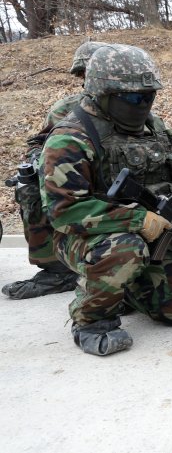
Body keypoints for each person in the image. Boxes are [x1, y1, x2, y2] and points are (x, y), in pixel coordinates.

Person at [40, 44, 172, 356]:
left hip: (147, 231)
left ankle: (123, 287)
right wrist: (139, 220)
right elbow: (64, 211)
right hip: (84, 236)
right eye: (133, 97)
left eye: (148, 96)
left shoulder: (155, 128)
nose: (143, 104)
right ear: (103, 93)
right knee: (126, 249)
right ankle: (90, 320)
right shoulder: (71, 138)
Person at [2, 41, 108, 300]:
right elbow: (39, 141)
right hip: (70, 175)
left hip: (107, 176)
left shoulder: (129, 107)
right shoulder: (66, 108)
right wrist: (39, 160)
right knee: (31, 186)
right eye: (84, 74)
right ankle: (56, 269)